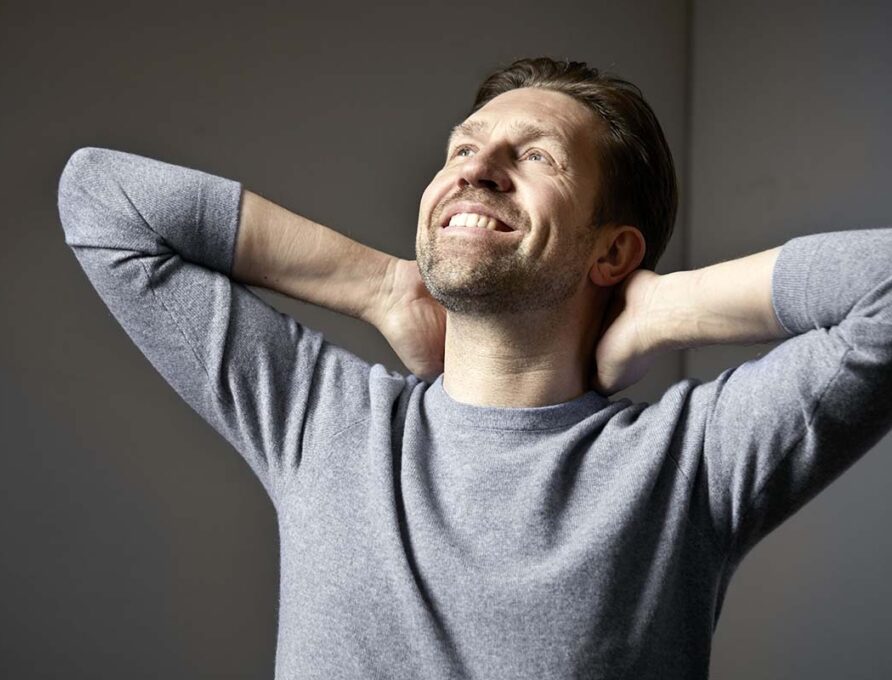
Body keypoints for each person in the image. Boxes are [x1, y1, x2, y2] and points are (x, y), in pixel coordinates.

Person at [57, 57, 892, 679]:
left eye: (538, 158)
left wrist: (666, 307)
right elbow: (101, 199)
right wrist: (381, 285)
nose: (476, 169)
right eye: (463, 147)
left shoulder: (691, 463)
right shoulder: (320, 419)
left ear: (612, 252)